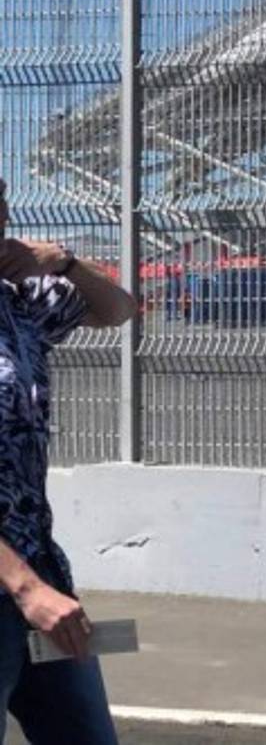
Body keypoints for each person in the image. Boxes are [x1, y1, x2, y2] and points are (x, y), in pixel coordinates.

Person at [0, 177, 137, 744]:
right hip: (23, 585)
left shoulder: (18, 303)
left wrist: (64, 263)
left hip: (41, 577)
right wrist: (25, 588)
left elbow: (119, 309)